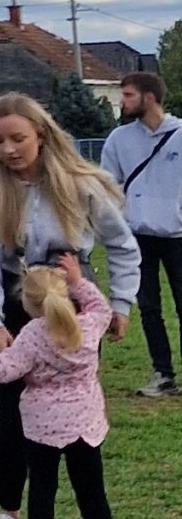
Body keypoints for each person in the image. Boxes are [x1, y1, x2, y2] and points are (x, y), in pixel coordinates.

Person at [0, 91, 139, 519]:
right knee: (11, 413)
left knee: (80, 408)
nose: (8, 150)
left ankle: (88, 516)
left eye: (17, 138)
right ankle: (9, 515)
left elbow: (122, 245)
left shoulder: (82, 184)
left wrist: (120, 304)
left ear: (40, 133)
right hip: (19, 302)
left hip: (75, 302)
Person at [0, 260, 126, 519]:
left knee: (42, 487)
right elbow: (101, 307)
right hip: (85, 423)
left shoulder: (32, 334)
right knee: (92, 490)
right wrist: (79, 280)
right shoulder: (88, 325)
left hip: (41, 426)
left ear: (27, 303)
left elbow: (3, 371)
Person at [101, 70, 182, 398]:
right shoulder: (119, 139)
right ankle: (163, 374)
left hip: (178, 236)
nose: (122, 102)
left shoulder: (179, 134)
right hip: (137, 237)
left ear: (149, 98)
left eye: (128, 95)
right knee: (149, 308)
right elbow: (106, 185)